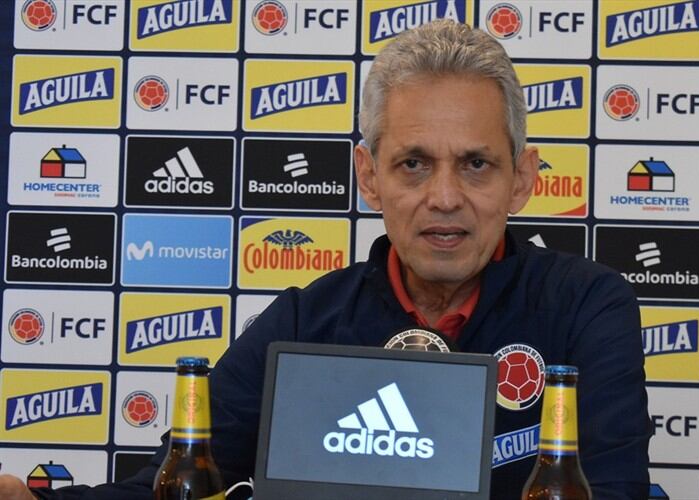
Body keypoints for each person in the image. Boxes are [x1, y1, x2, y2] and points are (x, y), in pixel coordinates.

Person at [0, 20, 651, 500]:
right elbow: (175, 487)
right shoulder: (303, 320)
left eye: (475, 164)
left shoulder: (584, 306)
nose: (444, 198)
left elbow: (614, 491)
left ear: (521, 178)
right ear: (369, 178)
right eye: (413, 164)